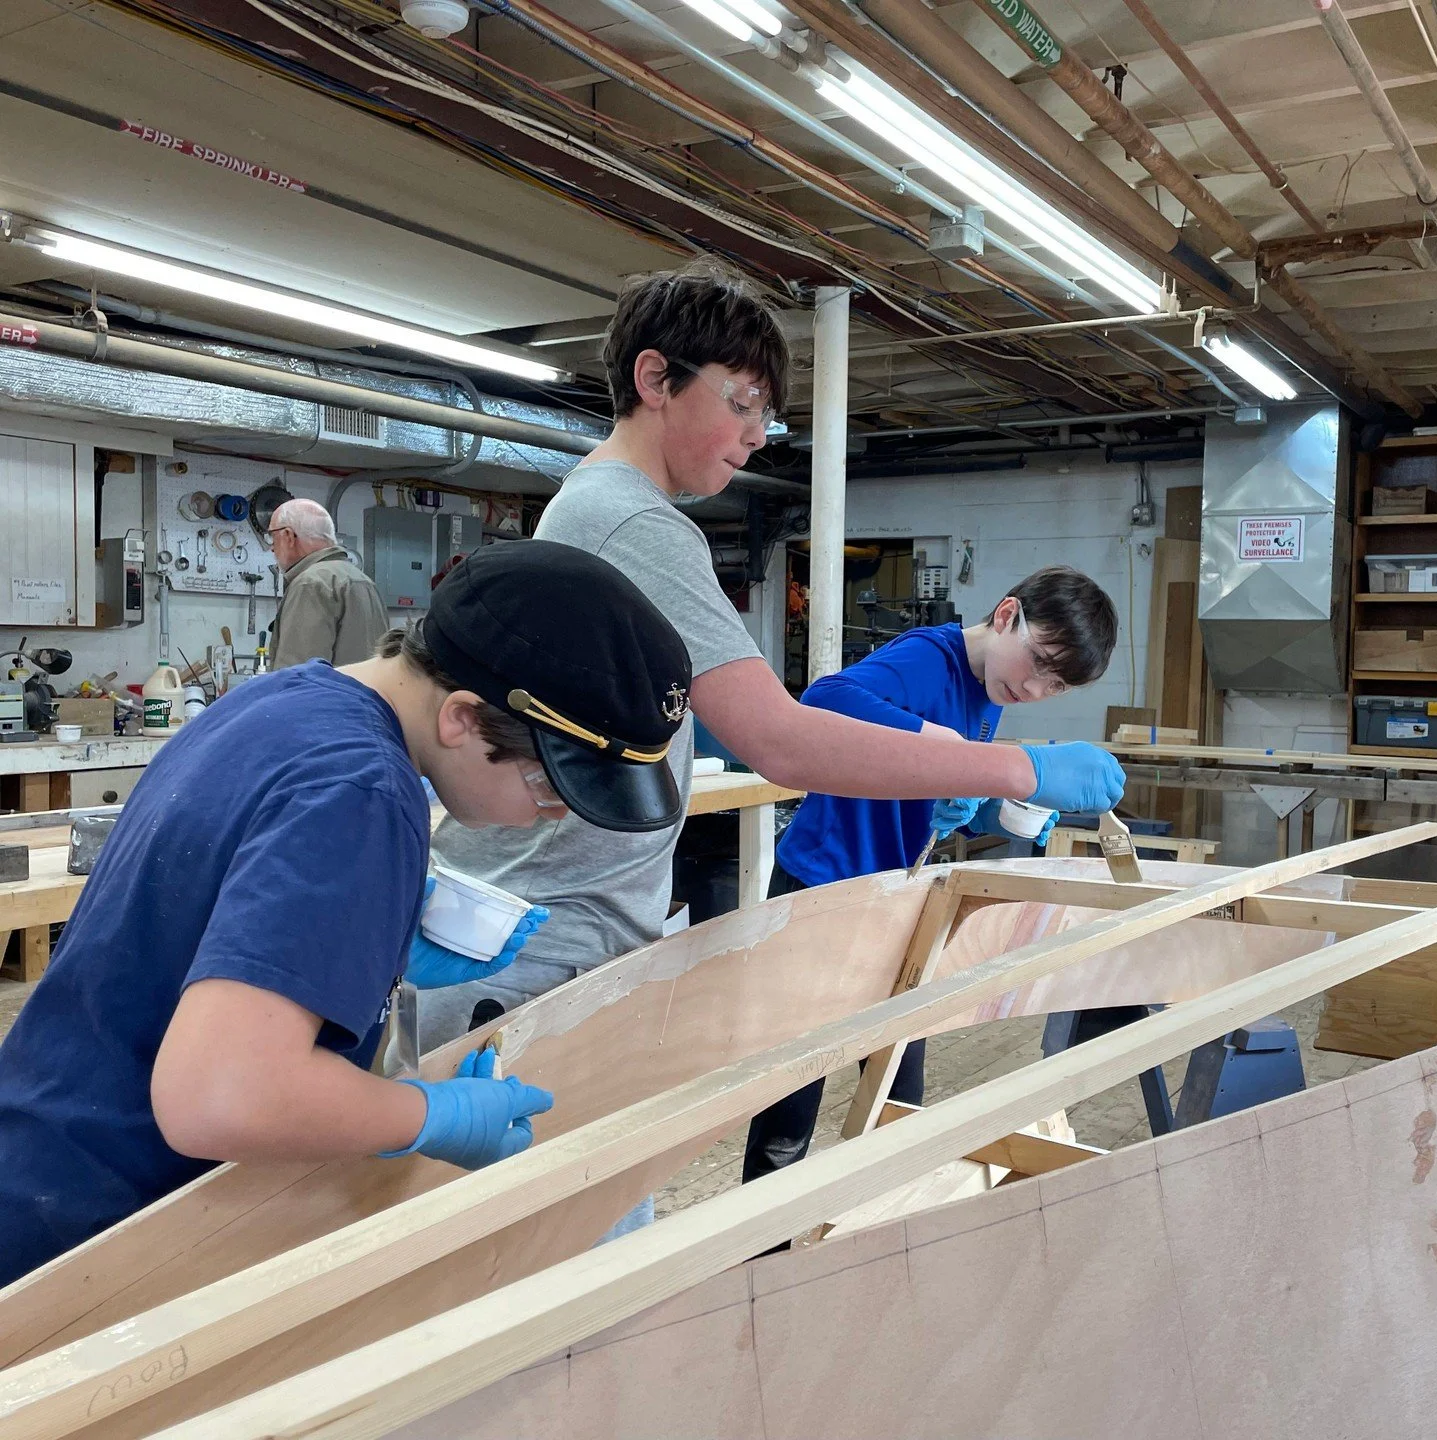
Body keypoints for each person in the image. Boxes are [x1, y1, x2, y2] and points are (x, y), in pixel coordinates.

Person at [410, 260, 1126, 1062]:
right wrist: (1017, 771)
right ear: (656, 378)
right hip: (547, 930)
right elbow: (782, 739)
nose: (756, 435)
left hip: (553, 915)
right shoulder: (634, 525)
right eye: (741, 403)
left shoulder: (594, 508)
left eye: (765, 416)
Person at [0, 541, 693, 1286]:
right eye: (551, 787)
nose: (551, 816)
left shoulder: (282, 702)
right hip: (94, 1248)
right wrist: (425, 1113)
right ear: (462, 717)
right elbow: (218, 1098)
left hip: (41, 1159)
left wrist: (373, 944)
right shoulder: (361, 791)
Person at [743, 564, 1119, 1184]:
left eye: (1056, 686)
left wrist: (990, 809)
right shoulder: (927, 656)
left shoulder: (990, 689)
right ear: (1005, 615)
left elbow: (936, 792)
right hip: (823, 889)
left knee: (899, 1086)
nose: (1035, 690)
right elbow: (821, 702)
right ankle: (761, 1254)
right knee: (792, 1096)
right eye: (1037, 664)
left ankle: (885, 1220)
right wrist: (956, 751)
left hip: (894, 897)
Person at [267, 497, 388, 669]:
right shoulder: (364, 581)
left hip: (326, 696)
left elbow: (299, 675)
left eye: (272, 536)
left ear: (289, 536)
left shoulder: (310, 584)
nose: (272, 547)